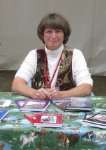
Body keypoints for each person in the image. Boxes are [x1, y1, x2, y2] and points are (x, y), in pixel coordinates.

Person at [11, 13, 93, 100]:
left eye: (58, 31)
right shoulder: (34, 55)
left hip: (67, 108)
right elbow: (16, 84)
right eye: (49, 32)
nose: (53, 36)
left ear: (64, 34)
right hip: (39, 108)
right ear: (42, 35)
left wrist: (62, 94)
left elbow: (86, 87)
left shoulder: (76, 55)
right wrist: (35, 93)